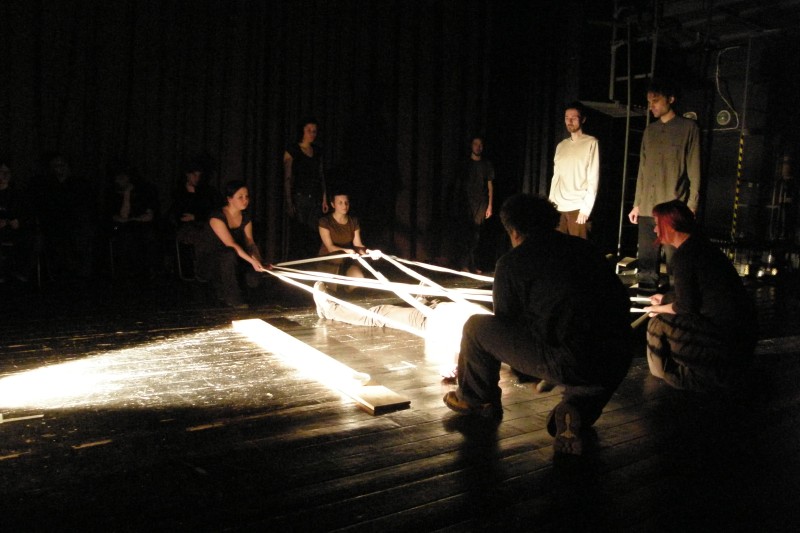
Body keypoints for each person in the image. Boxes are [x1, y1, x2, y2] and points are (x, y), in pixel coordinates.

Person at [443, 193, 632, 456]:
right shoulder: (586, 249)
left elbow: (507, 323)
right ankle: (574, 409)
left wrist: (529, 371)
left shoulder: (511, 263)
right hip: (617, 355)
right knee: (588, 386)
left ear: (514, 231)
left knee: (476, 327)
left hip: (568, 359)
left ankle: (475, 399)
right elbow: (620, 300)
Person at [643, 200, 757, 391]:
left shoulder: (684, 256)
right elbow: (698, 293)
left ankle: (668, 372)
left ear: (670, 225)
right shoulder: (702, 247)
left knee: (658, 321)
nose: (655, 230)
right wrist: (664, 299)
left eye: (657, 224)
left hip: (717, 338)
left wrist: (658, 309)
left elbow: (686, 307)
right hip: (739, 335)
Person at [312, 280, 490, 379]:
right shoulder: (493, 326)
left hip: (428, 319)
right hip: (440, 309)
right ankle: (423, 301)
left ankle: (330, 310)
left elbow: (459, 343)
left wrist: (452, 364)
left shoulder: (476, 335)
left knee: (379, 314)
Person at [628, 79, 701, 292]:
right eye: (649, 101)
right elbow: (642, 169)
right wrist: (637, 204)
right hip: (647, 204)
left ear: (671, 99)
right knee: (646, 259)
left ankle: (677, 297)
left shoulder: (688, 128)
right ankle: (646, 295)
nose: (651, 106)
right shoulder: (650, 131)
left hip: (672, 205)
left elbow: (694, 168)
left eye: (656, 101)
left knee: (674, 259)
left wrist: (692, 204)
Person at [196, 180, 266, 308]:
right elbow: (231, 244)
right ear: (229, 199)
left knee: (254, 279)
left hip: (233, 260)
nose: (245, 200)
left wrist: (258, 260)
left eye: (246, 196)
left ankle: (233, 289)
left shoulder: (246, 218)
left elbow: (250, 243)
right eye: (240, 197)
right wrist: (252, 261)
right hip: (212, 262)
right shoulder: (217, 217)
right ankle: (233, 298)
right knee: (229, 254)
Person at [32, 152, 97, 280]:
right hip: (55, 225)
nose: (60, 168)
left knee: (83, 233)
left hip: (76, 224)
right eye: (56, 165)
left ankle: (81, 274)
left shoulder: (79, 184)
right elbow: (45, 209)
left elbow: (87, 206)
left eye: (63, 164)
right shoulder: (46, 186)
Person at [548, 102, 599, 239]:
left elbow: (593, 178)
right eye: (567, 118)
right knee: (557, 247)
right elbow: (556, 177)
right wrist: (550, 204)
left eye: (574, 118)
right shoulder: (561, 146)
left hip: (578, 206)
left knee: (579, 248)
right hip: (558, 207)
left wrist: (586, 209)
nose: (569, 121)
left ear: (583, 119)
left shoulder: (591, 142)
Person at [103, 161, 161, 280]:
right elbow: (120, 216)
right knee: (125, 236)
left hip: (142, 225)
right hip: (121, 227)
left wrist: (133, 219)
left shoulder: (145, 191)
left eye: (123, 177)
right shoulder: (112, 194)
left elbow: (149, 216)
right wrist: (126, 194)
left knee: (148, 235)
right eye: (118, 178)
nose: (119, 180)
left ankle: (148, 271)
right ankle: (128, 271)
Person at [284, 118, 328, 259]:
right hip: (300, 197)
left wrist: (324, 198)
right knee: (301, 232)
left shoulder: (317, 151)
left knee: (314, 233)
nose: (312, 134)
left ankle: (311, 261)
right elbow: (288, 177)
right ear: (302, 131)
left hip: (315, 198)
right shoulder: (293, 150)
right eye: (309, 130)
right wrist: (289, 202)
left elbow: (321, 175)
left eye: (314, 131)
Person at [168, 159, 220, 279]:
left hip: (204, 225)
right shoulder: (179, 192)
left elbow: (210, 210)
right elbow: (180, 214)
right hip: (186, 228)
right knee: (197, 237)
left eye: (199, 175)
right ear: (187, 175)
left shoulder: (206, 192)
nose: (197, 178)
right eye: (194, 175)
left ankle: (207, 270)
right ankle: (197, 271)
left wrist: (196, 216)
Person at [456, 136, 495, 273]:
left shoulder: (486, 164)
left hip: (481, 203)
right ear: (471, 146)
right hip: (467, 202)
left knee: (476, 235)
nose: (478, 147)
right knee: (466, 233)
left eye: (480, 144)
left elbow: (490, 186)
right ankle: (464, 264)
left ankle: (472, 264)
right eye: (475, 144)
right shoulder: (465, 164)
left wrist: (490, 205)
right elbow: (459, 184)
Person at [317, 190, 369, 290]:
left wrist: (369, 252)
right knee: (337, 288)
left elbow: (358, 244)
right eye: (340, 203)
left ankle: (346, 292)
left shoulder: (353, 221)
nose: (344, 205)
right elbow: (330, 248)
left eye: (346, 202)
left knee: (359, 278)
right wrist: (348, 251)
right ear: (333, 204)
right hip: (330, 260)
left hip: (347, 259)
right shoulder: (325, 221)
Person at [0, 158, 34, 284]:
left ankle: (19, 271)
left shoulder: (17, 194)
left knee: (29, 237)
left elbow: (25, 214)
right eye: (1, 171)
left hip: (12, 231)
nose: (5, 175)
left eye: (7, 172)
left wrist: (18, 222)